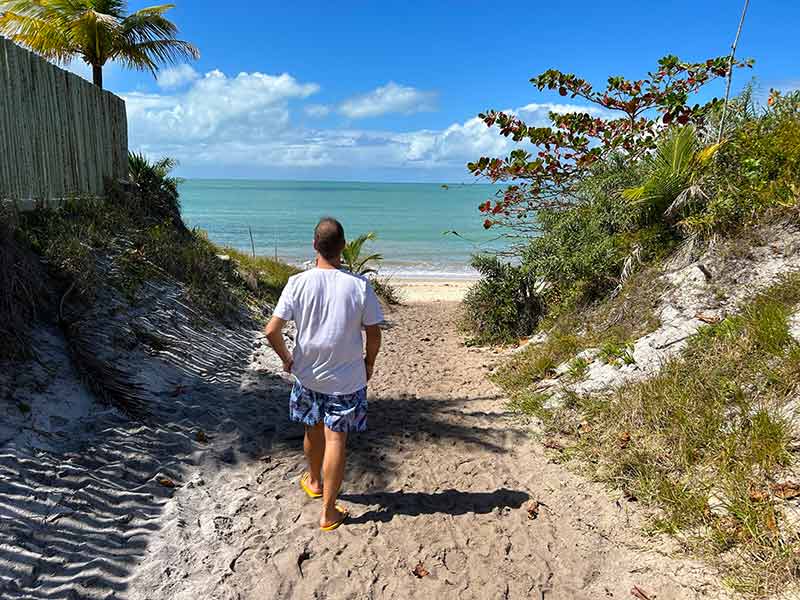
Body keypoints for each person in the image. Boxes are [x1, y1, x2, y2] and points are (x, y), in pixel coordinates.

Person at [265, 217, 383, 531]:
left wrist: (286, 358)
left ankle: (315, 481)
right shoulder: (359, 286)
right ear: (343, 247)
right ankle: (328, 512)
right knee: (336, 439)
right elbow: (373, 334)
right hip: (346, 379)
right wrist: (369, 362)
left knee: (312, 429)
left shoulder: (297, 282)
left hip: (307, 375)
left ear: (314, 246)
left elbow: (271, 331)